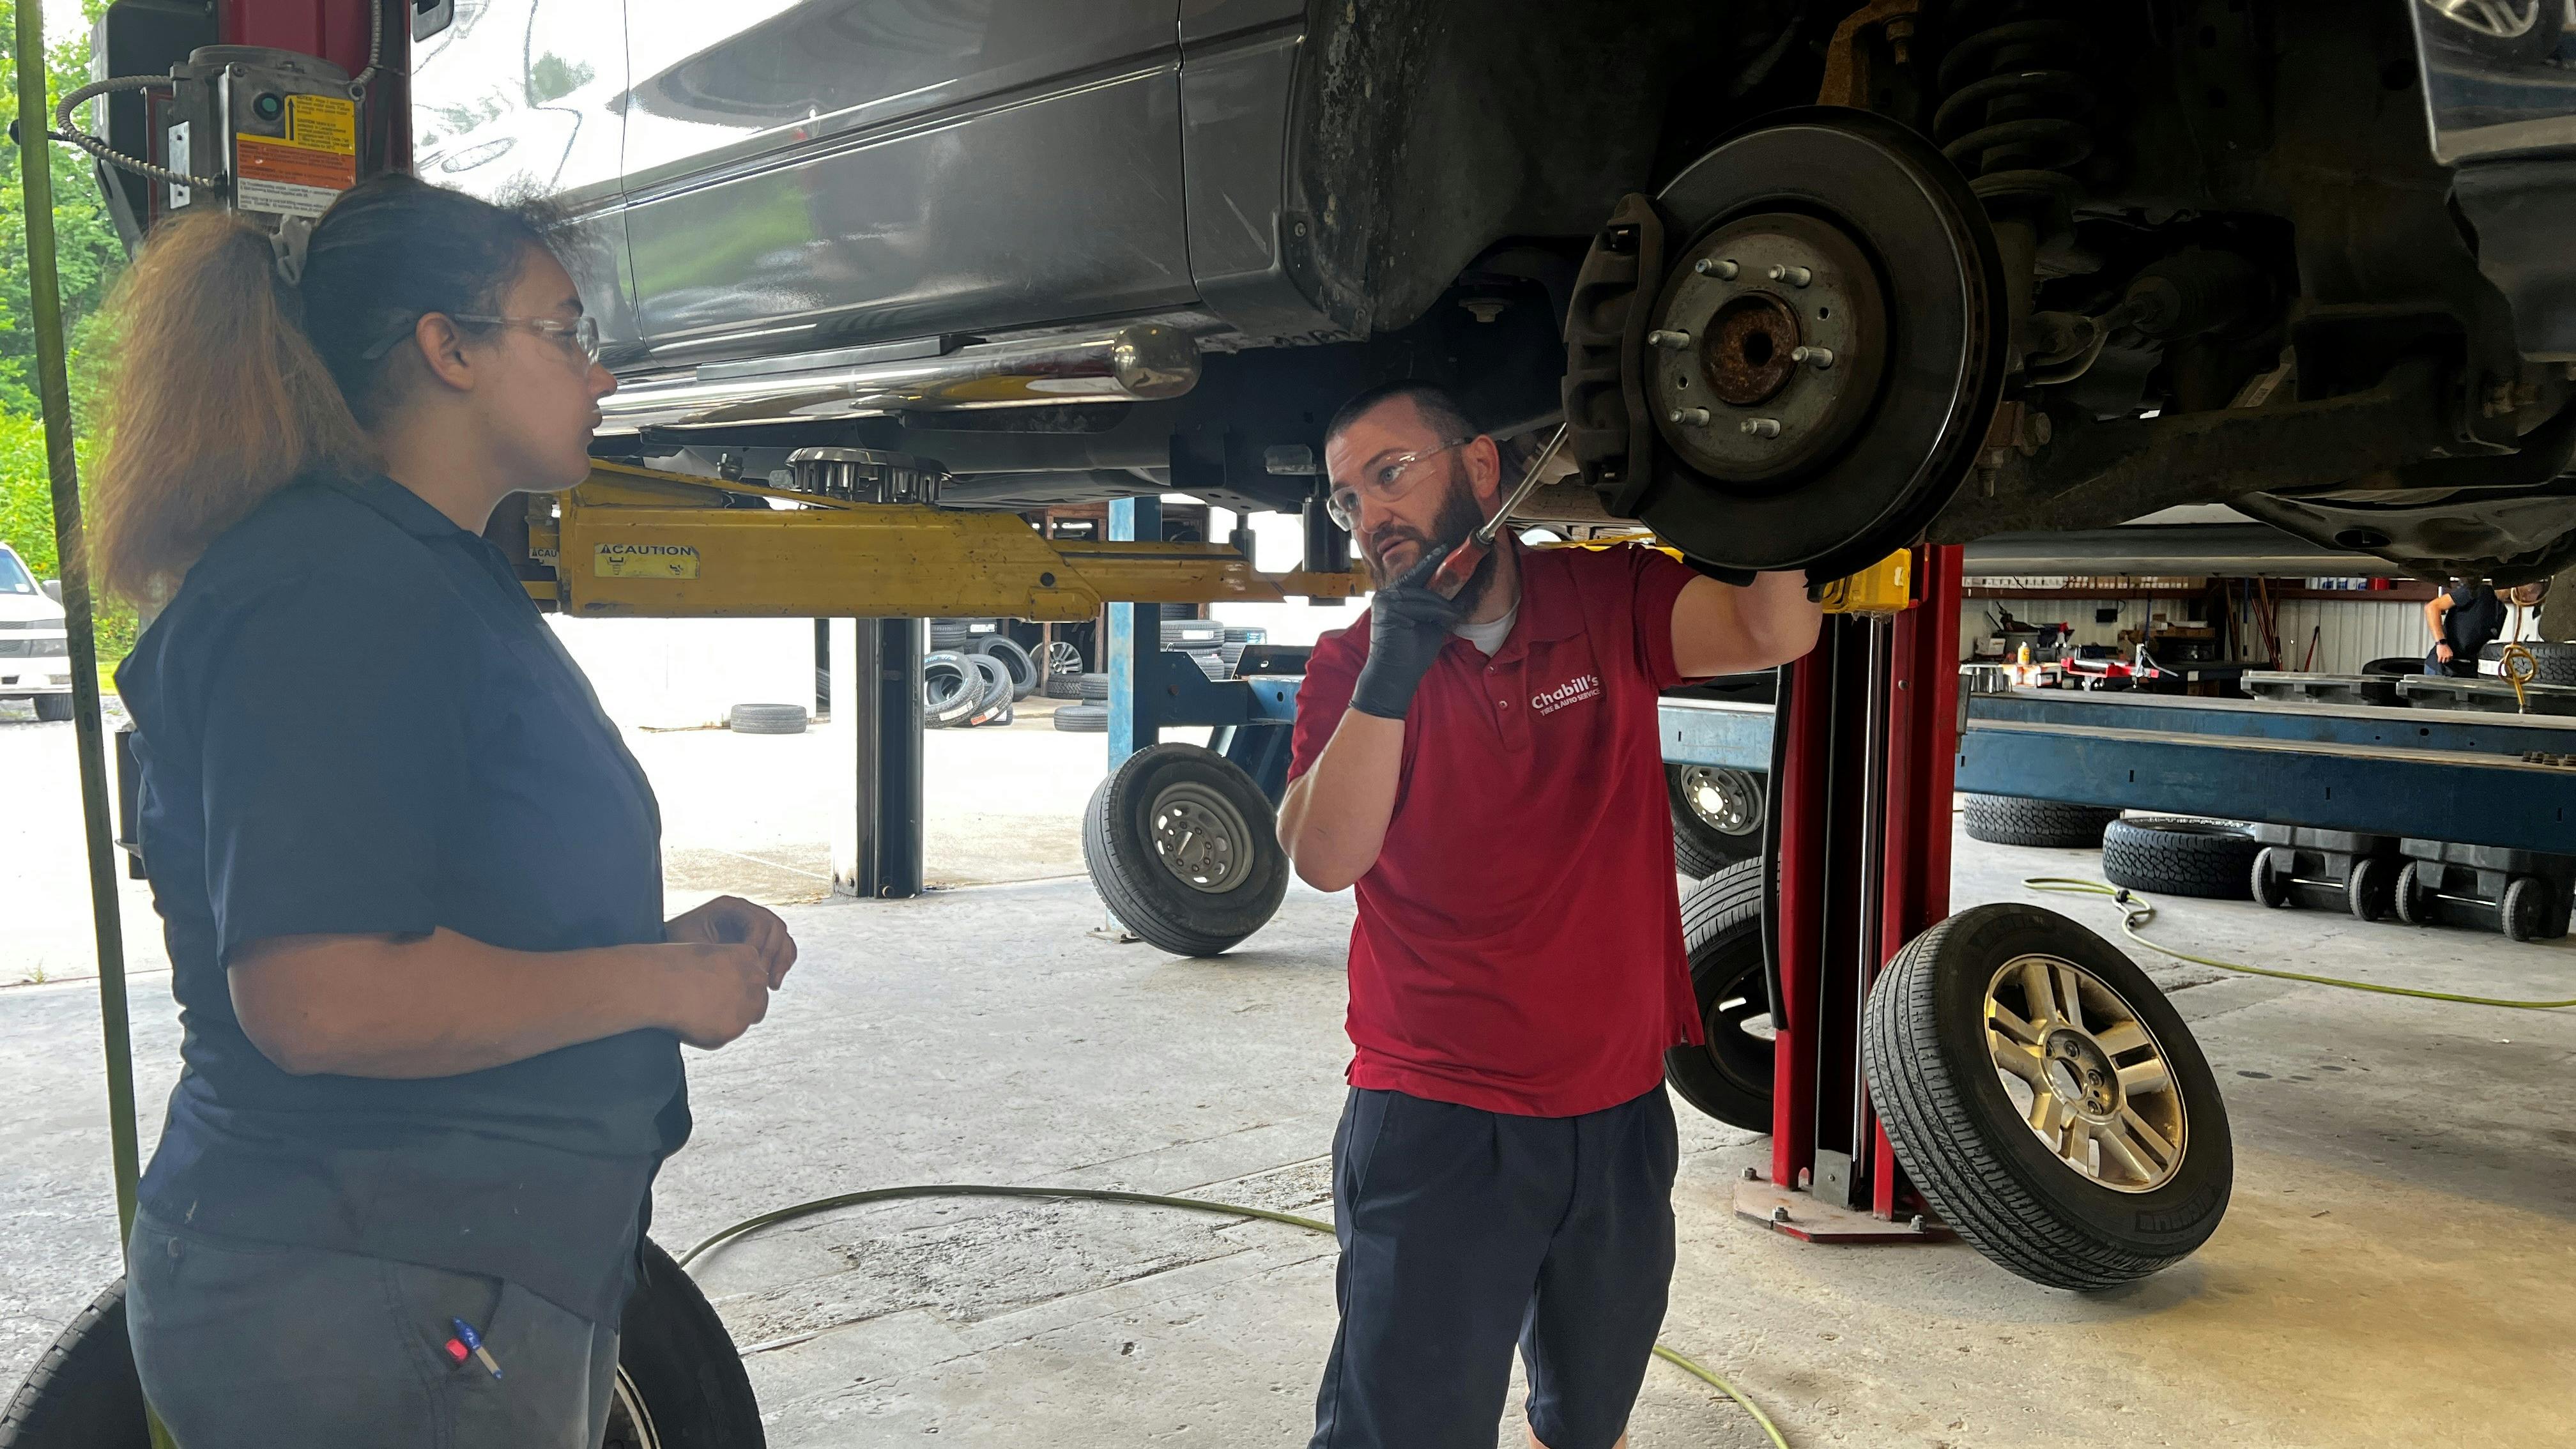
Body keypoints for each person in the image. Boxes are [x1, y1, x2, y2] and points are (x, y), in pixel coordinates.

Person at [91, 176, 796, 1447]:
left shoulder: (400, 572)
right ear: (448, 348)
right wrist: (647, 985)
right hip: (370, 1290)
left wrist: (654, 948)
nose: (602, 378)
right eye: (567, 331)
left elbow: (436, 900)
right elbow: (325, 994)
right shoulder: (337, 589)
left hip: (424, 1275)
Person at [1276, 381, 1821, 1449]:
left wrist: (1802, 474)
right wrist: (1389, 675)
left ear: (1481, 468)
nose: (1369, 514)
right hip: (1439, 1118)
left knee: (1588, 1413)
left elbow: (1769, 624)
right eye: (1347, 499)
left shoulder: (1602, 597)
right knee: (1405, 1427)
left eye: (1391, 473)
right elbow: (1325, 858)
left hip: (1615, 1111)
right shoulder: (1352, 661)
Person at [2425, 578, 2505, 677]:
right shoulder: (2475, 592)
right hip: (2443, 666)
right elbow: (2432, 607)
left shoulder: (2499, 610)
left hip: (2469, 669)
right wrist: (2441, 644)